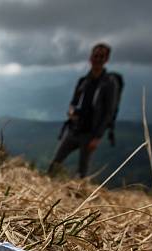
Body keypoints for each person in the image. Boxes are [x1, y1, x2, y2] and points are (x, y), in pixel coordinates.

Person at [48, 43, 120, 178]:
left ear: (106, 60)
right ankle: (46, 185)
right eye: (96, 55)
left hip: (90, 134)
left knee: (82, 171)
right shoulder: (83, 81)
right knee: (55, 163)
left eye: (101, 56)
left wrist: (97, 137)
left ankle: (79, 196)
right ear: (91, 58)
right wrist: (71, 111)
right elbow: (73, 102)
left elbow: (108, 113)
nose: (98, 59)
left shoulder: (110, 84)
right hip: (74, 129)